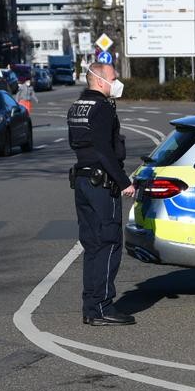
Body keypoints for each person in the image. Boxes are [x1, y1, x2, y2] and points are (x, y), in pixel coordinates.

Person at [67, 63, 137, 326]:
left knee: (92, 245)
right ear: (99, 80)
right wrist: (123, 181)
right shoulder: (102, 108)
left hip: (83, 180)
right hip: (101, 184)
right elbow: (104, 150)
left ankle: (91, 307)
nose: (117, 82)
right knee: (108, 243)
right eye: (113, 78)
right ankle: (103, 306)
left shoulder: (77, 107)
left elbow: (78, 144)